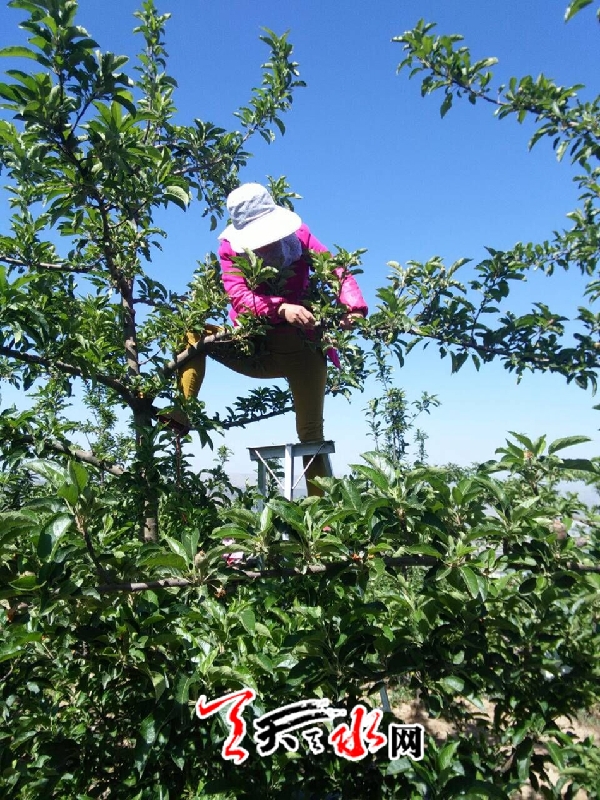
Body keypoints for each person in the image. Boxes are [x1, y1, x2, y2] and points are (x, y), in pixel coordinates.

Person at [177, 182, 368, 496]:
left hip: (304, 350)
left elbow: (334, 268)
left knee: (311, 435)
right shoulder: (229, 249)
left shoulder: (300, 237)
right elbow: (239, 296)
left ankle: (322, 517)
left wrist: (353, 307)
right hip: (256, 347)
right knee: (194, 334)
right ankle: (182, 412)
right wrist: (280, 308)